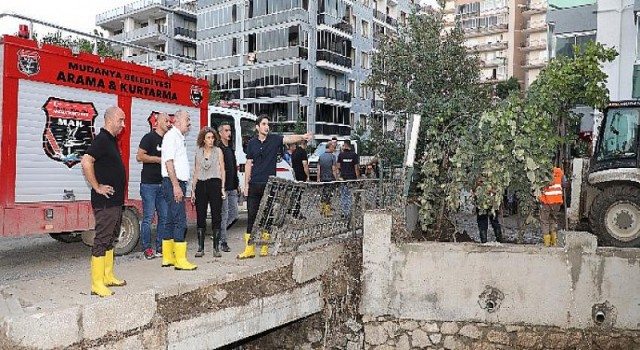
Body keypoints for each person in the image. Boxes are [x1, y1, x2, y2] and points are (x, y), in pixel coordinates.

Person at [237, 115, 313, 259]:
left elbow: (289, 139)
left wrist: (302, 136)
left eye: (268, 124)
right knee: (251, 217)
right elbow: (248, 164)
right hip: (254, 185)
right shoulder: (252, 143)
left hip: (269, 185)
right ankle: (249, 249)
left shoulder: (274, 139)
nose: (267, 127)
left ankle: (264, 246)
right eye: (264, 124)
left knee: (267, 216)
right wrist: (246, 184)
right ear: (258, 127)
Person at [81, 106, 127, 297]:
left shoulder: (111, 140)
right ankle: (96, 284)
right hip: (105, 201)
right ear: (110, 120)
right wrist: (97, 186)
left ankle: (107, 276)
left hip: (115, 201)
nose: (123, 125)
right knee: (102, 239)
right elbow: (86, 161)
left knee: (110, 238)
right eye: (121, 121)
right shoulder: (101, 140)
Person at [161, 110, 197, 270]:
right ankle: (180, 260)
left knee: (169, 219)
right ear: (176, 121)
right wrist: (176, 185)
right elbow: (168, 162)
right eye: (187, 119)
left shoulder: (178, 137)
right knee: (180, 221)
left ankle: (167, 257)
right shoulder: (171, 136)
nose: (189, 122)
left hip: (173, 183)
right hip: (173, 183)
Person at [136, 112, 171, 260]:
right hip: (149, 184)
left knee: (164, 217)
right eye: (166, 120)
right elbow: (139, 156)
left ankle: (160, 246)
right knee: (148, 218)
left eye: (170, 121)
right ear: (157, 122)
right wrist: (157, 159)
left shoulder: (169, 140)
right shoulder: (149, 137)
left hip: (163, 184)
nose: (168, 123)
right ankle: (146, 248)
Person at [192, 127, 225, 258]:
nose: (211, 140)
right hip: (201, 184)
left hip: (215, 183)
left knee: (217, 215)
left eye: (213, 138)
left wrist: (222, 187)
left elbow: (223, 169)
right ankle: (200, 248)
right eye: (208, 138)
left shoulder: (218, 151)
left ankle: (216, 247)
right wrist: (193, 189)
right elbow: (196, 170)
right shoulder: (198, 152)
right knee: (201, 215)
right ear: (203, 140)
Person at [218, 122, 240, 253]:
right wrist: (220, 187)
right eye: (226, 130)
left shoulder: (230, 149)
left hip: (232, 187)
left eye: (230, 130)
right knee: (224, 214)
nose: (229, 133)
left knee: (234, 214)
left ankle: (219, 232)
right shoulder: (218, 149)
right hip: (223, 188)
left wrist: (237, 184)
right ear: (220, 133)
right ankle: (223, 241)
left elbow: (233, 169)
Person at [539, 166, 565, 247]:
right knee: (553, 220)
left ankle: (547, 243)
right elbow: (565, 184)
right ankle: (554, 242)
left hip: (546, 201)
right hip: (557, 201)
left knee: (545, 221)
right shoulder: (560, 171)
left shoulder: (543, 172)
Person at [474, 179, 503, 243]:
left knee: (482, 222)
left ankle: (484, 241)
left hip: (483, 201)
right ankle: (499, 240)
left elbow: (476, 184)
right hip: (490, 201)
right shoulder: (494, 176)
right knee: (494, 221)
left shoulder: (478, 174)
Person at [337, 140, 359, 218]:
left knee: (343, 195)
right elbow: (356, 168)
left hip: (343, 178)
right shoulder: (354, 155)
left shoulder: (340, 155)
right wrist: (357, 178)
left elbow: (338, 166)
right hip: (352, 178)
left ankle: (344, 212)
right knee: (349, 195)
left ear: (345, 145)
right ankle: (349, 212)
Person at [317, 142, 338, 216]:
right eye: (333, 147)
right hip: (330, 179)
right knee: (328, 194)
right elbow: (334, 169)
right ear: (329, 147)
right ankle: (327, 211)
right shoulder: (332, 157)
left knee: (323, 193)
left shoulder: (321, 156)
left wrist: (318, 178)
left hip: (323, 178)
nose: (334, 149)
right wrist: (336, 178)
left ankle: (322, 209)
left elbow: (319, 168)